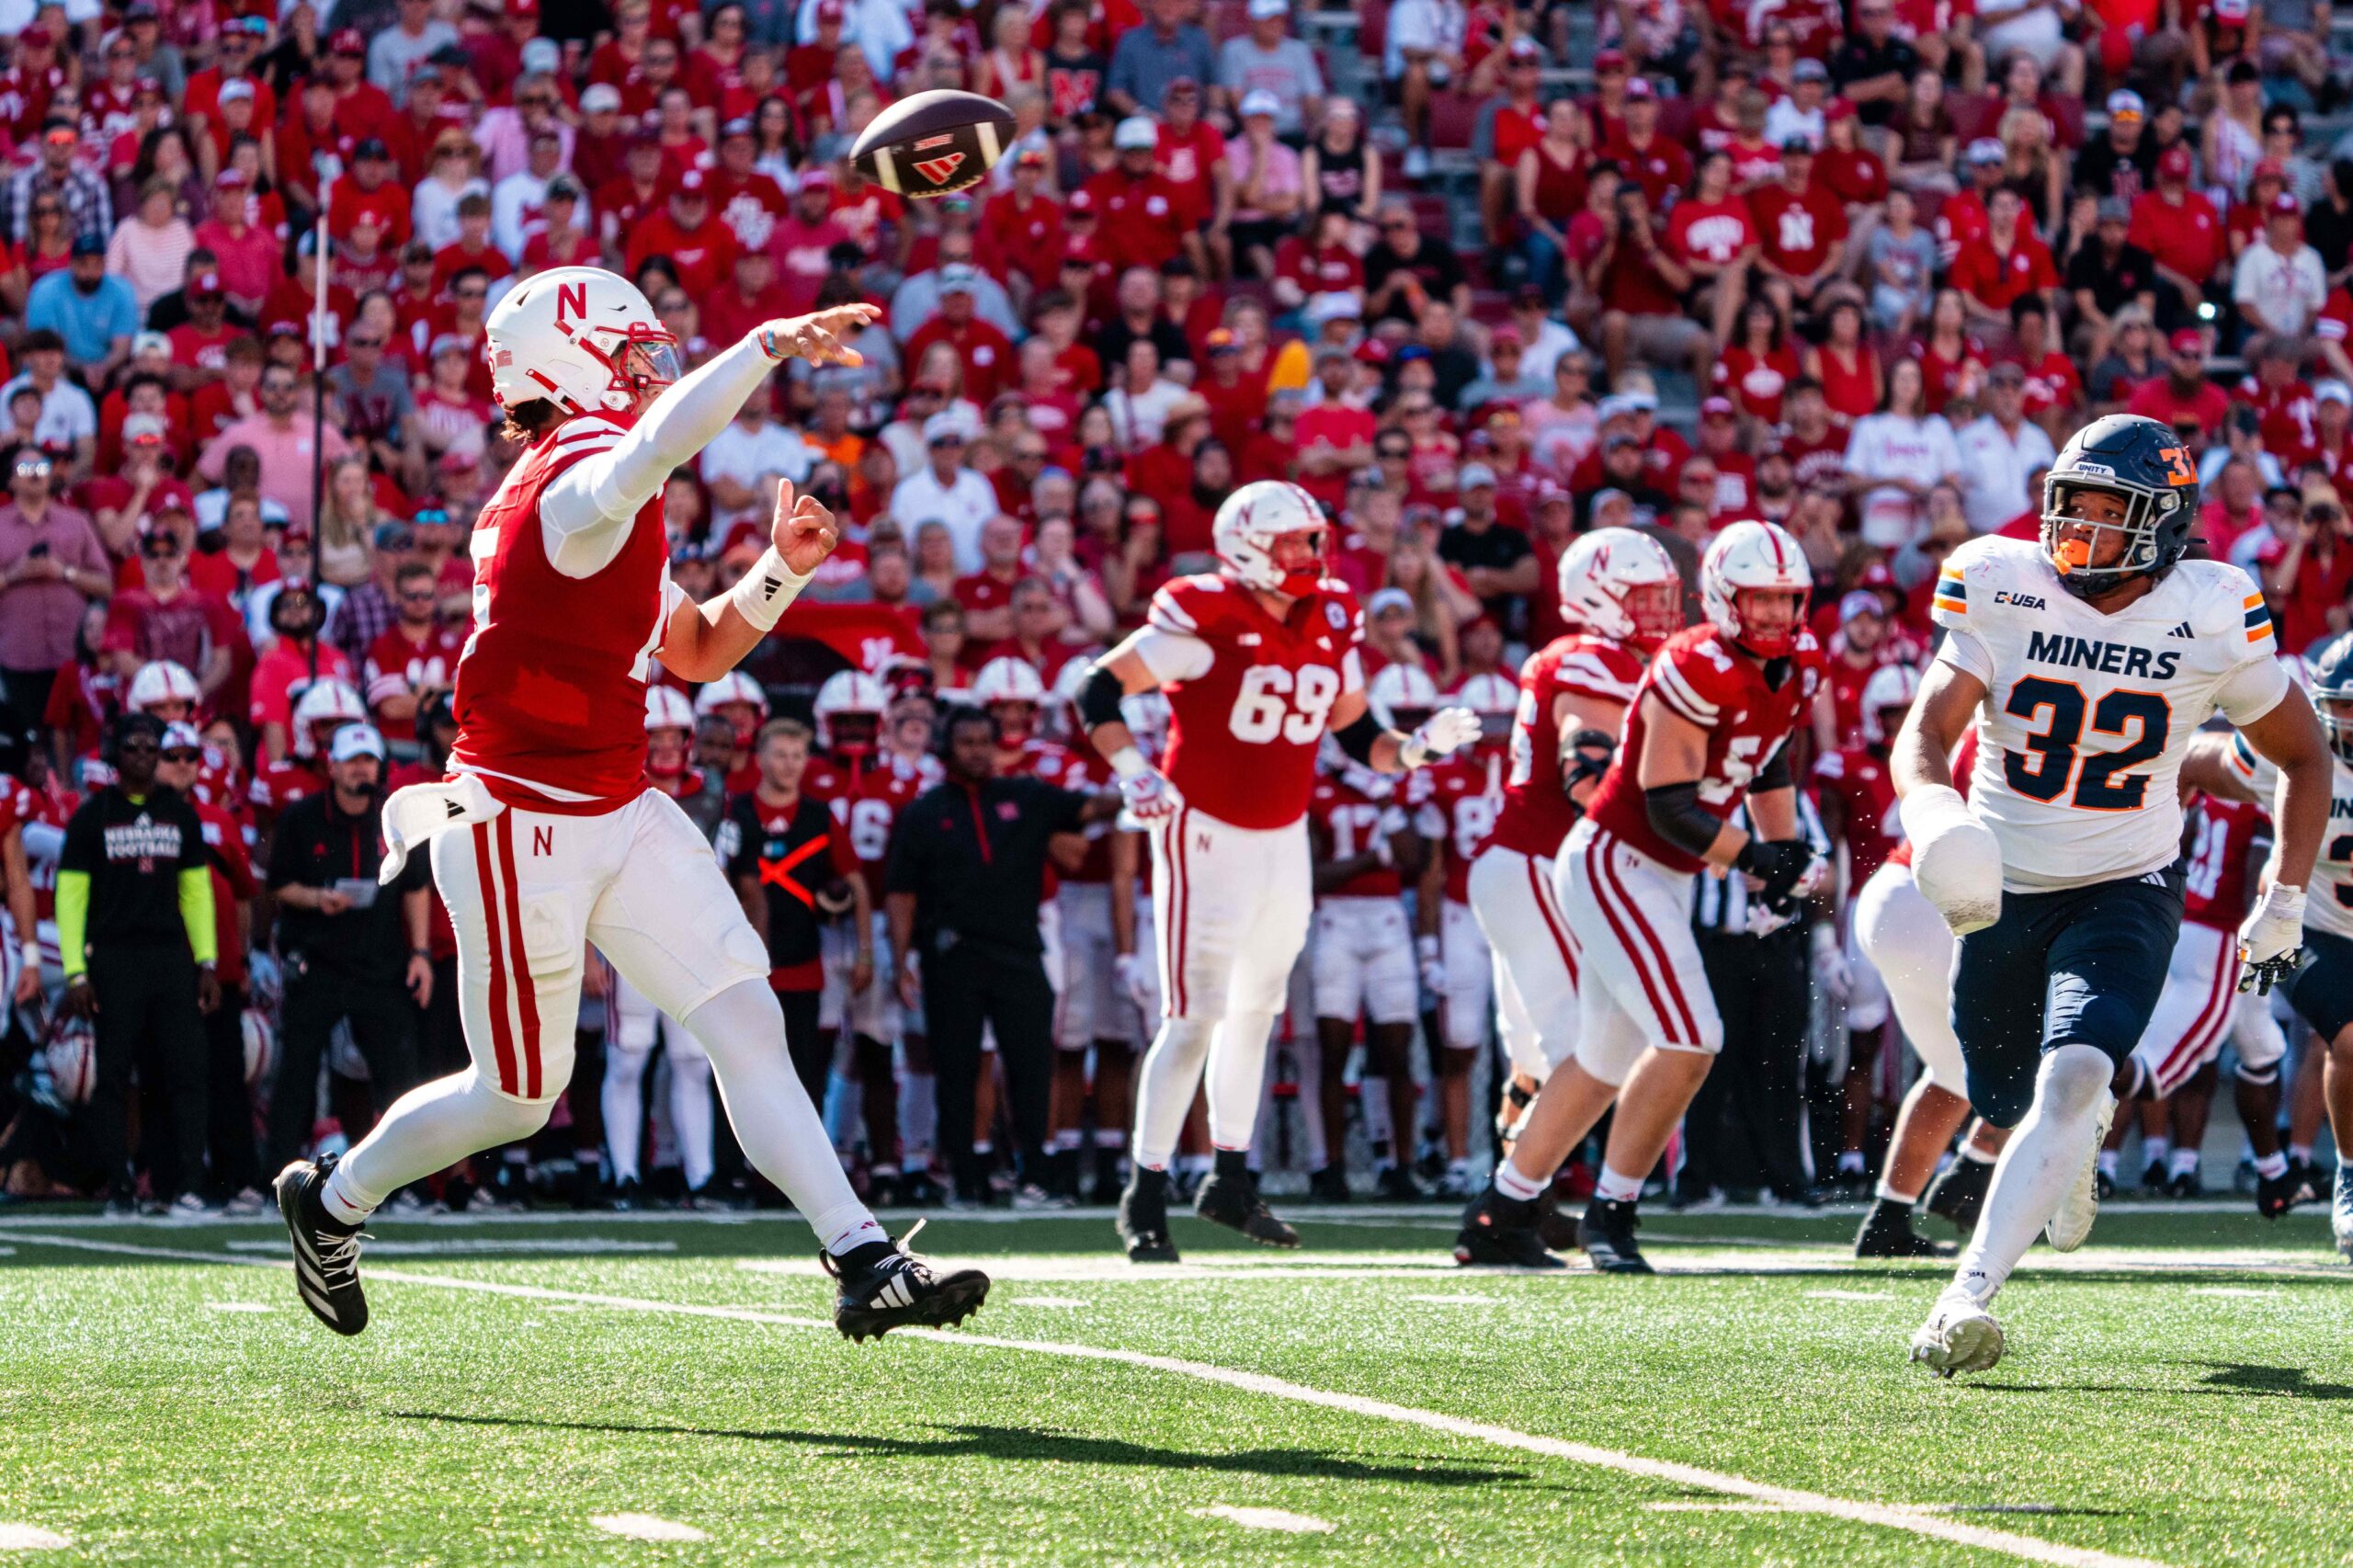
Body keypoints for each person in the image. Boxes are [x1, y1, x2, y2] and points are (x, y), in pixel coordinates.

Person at [269, 267, 988, 1345]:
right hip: (518, 820)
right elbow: (656, 442)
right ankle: (329, 1199)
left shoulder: (595, 498)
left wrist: (776, 576)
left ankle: (860, 1254)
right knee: (516, 1095)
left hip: (616, 798)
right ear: (566, 363)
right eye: (629, 353)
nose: (647, 371)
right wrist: (767, 343)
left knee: (746, 1013)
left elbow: (693, 649)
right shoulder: (566, 483)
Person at [1899, 414, 2330, 1376]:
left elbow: (2303, 755)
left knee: (2075, 1074)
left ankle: (1962, 1297)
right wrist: (1930, 812)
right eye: (2071, 504)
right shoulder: (2000, 579)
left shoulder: (2213, 605)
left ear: (2165, 521)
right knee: (2000, 1089)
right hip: (2002, 885)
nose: (2078, 529)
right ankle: (2071, 1138)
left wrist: (2284, 893)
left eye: (2109, 511)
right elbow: (1924, 729)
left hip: (2124, 887)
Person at [1076, 479, 1483, 1262]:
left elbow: (1360, 735)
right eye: (1291, 543)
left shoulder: (1332, 614)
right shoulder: (1207, 614)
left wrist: (1421, 746)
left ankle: (1229, 1177)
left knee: (1258, 1011)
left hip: (1282, 836)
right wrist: (1130, 767)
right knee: (1193, 1016)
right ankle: (1146, 1193)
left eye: (1311, 540)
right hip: (1205, 832)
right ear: (1246, 549)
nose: (1308, 555)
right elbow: (1099, 686)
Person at [1454, 522, 1824, 1273]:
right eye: (1760, 601)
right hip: (1611, 858)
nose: (1777, 617)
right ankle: (1610, 1212)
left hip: (1654, 867)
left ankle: (1504, 1205)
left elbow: (1769, 755)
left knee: (1600, 1057)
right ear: (1724, 598)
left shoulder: (1794, 663)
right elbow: (1662, 804)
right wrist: (1756, 858)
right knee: (1689, 1037)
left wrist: (1778, 859)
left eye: (1789, 600)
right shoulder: (1682, 664)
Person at [1468, 528, 1681, 1179]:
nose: (1661, 612)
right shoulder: (1591, 660)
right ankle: (1515, 1199)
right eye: (1643, 597)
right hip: (1538, 861)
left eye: (1663, 597)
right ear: (1600, 597)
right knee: (1586, 1051)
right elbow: (1585, 775)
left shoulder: (1614, 660)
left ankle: (1513, 1193)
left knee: (1536, 1057)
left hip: (1528, 866)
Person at [884, 707, 1119, 1205]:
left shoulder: (1025, 796)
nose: (976, 750)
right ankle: (965, 1178)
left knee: (1031, 1066)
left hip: (1019, 951)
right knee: (957, 1068)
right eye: (966, 741)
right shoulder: (925, 811)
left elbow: (1090, 808)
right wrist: (900, 960)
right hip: (951, 955)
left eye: (983, 741)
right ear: (947, 748)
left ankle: (1035, 1173)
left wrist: (1140, 787)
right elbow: (901, 894)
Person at [57, 710, 221, 1216]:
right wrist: (75, 972)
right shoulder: (92, 817)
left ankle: (188, 1183)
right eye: (134, 747)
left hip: (171, 958)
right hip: (114, 958)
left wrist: (207, 960)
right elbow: (71, 897)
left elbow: (196, 892)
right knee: (112, 1077)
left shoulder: (181, 813)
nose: (145, 756)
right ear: (114, 752)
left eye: (154, 748)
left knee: (186, 1071)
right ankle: (120, 1186)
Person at [263, 723, 429, 1175]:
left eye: (369, 761)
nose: (361, 769)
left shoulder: (394, 819)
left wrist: (421, 954)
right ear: (331, 765)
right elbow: (279, 885)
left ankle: (407, 1182)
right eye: (353, 760)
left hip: (379, 963)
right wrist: (318, 899)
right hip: (317, 960)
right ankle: (277, 1174)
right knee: (296, 1073)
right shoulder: (301, 817)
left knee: (400, 1077)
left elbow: (416, 888)